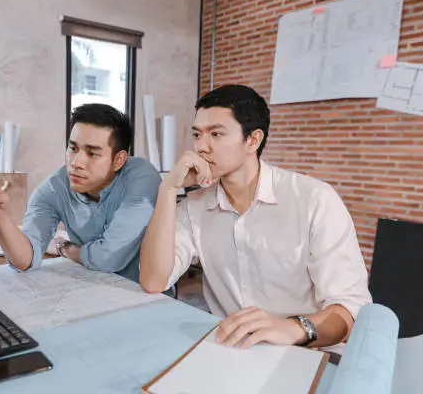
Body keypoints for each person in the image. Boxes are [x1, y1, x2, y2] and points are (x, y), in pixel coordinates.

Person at [140, 85, 372, 348]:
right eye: (197, 134)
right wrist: (168, 188)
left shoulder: (314, 199)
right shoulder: (194, 206)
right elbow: (153, 281)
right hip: (233, 350)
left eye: (216, 134)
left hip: (308, 353)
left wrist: (294, 328)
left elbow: (350, 309)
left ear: (253, 140)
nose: (201, 147)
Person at [0, 103, 161, 283]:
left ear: (119, 160)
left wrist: (66, 249)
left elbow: (108, 258)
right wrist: (1, 217)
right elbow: (25, 261)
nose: (76, 162)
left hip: (147, 295)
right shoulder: (54, 188)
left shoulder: (142, 179)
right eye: (73, 148)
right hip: (94, 288)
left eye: (92, 153)